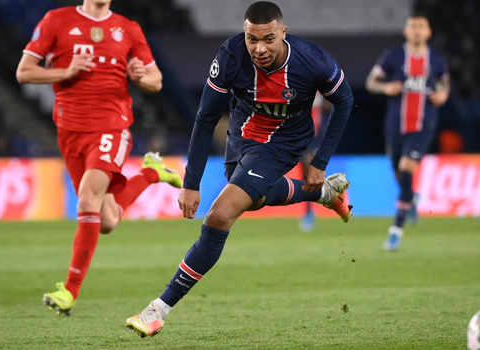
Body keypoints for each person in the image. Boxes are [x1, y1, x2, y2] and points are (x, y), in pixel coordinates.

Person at [125, 1, 354, 338]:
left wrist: (319, 162)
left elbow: (345, 100)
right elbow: (204, 118)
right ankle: (324, 193)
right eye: (252, 39)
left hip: (284, 141)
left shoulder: (312, 60)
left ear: (283, 33)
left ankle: (158, 309)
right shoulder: (230, 56)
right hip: (241, 136)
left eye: (269, 39)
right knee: (255, 199)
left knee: (219, 215)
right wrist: (191, 183)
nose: (259, 48)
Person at [16, 0, 182, 315]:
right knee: (106, 220)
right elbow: (24, 72)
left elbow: (155, 80)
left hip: (111, 127)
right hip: (69, 132)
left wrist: (140, 78)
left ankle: (70, 290)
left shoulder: (128, 29)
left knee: (87, 199)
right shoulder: (56, 20)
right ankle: (152, 173)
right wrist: (66, 71)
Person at [365, 15, 450, 251]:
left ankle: (396, 230)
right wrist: (384, 87)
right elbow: (372, 82)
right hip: (395, 126)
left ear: (428, 32)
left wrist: (443, 95)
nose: (417, 31)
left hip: (424, 125)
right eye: (413, 26)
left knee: (406, 168)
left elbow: (444, 83)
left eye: (421, 27)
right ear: (406, 31)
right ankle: (410, 199)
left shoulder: (436, 60)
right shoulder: (393, 56)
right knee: (399, 174)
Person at [299, 92, 330, 232]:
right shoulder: (298, 85)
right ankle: (308, 210)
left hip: (316, 134)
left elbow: (332, 104)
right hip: (298, 133)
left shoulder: (321, 86)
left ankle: (309, 211)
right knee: (304, 174)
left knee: (309, 170)